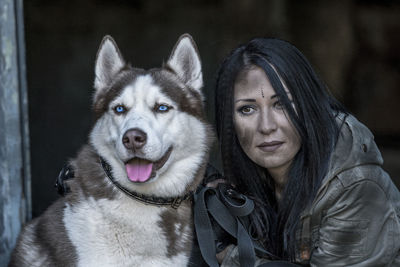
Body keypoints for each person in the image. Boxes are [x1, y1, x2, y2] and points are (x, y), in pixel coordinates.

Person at [211, 37, 400, 266]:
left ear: (308, 105)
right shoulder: (249, 178)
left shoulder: (353, 185)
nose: (267, 126)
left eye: (281, 104)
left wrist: (231, 259)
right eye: (247, 109)